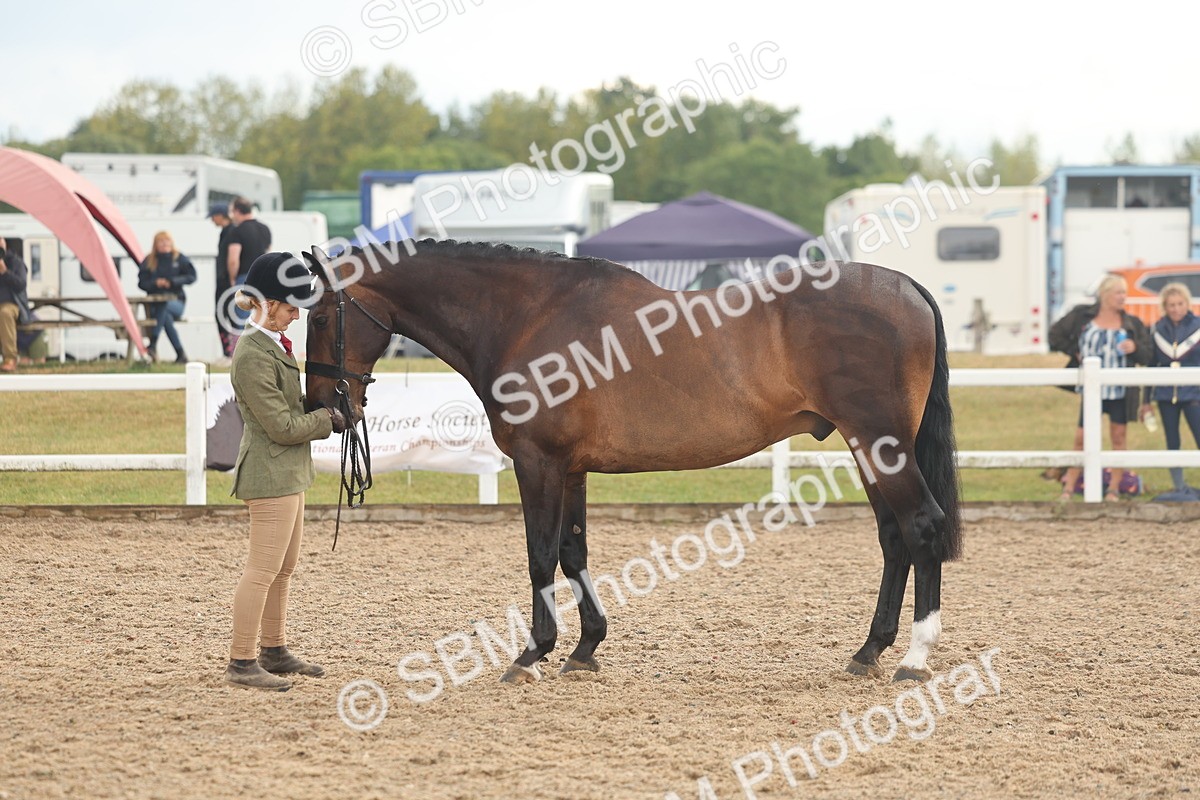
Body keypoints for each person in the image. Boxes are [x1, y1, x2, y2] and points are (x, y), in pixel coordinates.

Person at [226, 251, 346, 691]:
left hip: (289, 472)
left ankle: (273, 650)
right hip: (270, 473)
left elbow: (291, 407)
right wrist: (328, 420)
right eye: (292, 308)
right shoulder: (252, 355)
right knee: (261, 570)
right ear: (269, 303)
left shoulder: (273, 345)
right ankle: (242, 660)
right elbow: (281, 426)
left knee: (283, 569)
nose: (297, 316)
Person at [1050, 274, 1151, 501]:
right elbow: (1055, 335)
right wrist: (1074, 351)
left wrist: (1134, 347)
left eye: (1124, 293)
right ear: (1104, 295)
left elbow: (1147, 355)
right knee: (1081, 438)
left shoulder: (1131, 323)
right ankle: (1069, 487)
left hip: (1120, 391)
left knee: (1118, 437)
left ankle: (1114, 489)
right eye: (1118, 293)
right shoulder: (1083, 316)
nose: (1123, 297)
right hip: (1092, 390)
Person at [1140, 283, 1200, 496]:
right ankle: (1179, 486)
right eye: (1171, 305)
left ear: (1187, 303)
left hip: (1194, 394)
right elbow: (1151, 365)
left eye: (1180, 304)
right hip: (1166, 394)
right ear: (1164, 306)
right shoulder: (1157, 330)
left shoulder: (1197, 327)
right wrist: (1146, 401)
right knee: (1172, 441)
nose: (1176, 309)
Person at [138, 231, 197, 364]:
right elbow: (142, 283)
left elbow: (192, 276)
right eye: (161, 241)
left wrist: (172, 282)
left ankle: (153, 344)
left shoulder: (179, 258)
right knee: (165, 317)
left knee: (163, 306)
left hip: (176, 302)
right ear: (155, 244)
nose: (164, 244)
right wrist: (155, 283)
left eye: (167, 241)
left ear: (171, 242)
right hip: (154, 304)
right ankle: (181, 354)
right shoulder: (149, 260)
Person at [226, 197, 272, 338]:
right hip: (263, 278)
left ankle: (242, 346)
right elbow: (268, 255)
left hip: (244, 278)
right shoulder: (265, 228)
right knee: (261, 315)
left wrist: (232, 278)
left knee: (241, 316)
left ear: (237, 211)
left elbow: (233, 260)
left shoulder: (237, 231)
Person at [209, 202, 237, 364]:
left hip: (227, 281)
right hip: (223, 280)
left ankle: (231, 352)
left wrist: (231, 278)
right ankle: (228, 352)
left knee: (229, 315)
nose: (212, 220)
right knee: (222, 315)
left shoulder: (232, 232)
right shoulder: (225, 232)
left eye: (213, 216)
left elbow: (232, 259)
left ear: (221, 215)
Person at [0, 237, 29, 373]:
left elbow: (21, 285)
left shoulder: (16, 262)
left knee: (4, 313)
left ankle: (10, 358)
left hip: (12, 304)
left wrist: (5, 272)